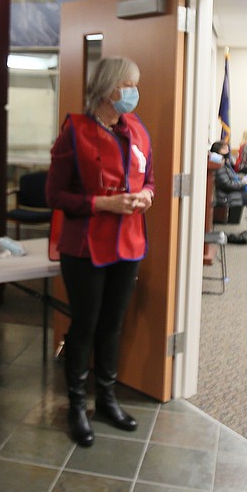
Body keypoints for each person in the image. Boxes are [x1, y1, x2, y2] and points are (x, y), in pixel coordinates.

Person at [46, 56, 153, 447]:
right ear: (109, 88)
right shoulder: (75, 130)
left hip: (129, 243)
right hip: (86, 246)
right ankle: (77, 405)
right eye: (128, 83)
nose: (133, 91)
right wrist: (101, 204)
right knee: (85, 325)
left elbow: (150, 180)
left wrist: (145, 196)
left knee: (113, 325)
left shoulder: (138, 129)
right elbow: (54, 195)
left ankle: (106, 399)